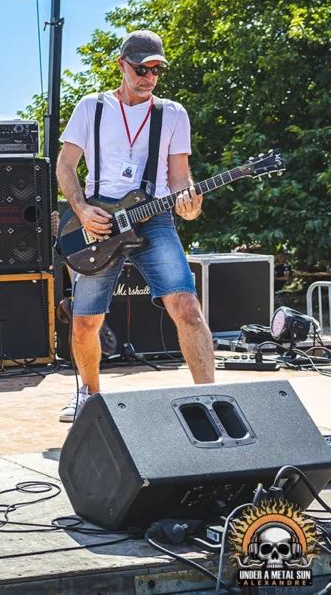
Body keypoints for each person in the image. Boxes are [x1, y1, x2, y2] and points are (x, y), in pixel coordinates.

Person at [56, 29, 215, 423]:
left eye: (156, 69)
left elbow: (179, 178)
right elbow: (65, 165)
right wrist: (81, 207)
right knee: (85, 322)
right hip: (98, 220)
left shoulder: (173, 113)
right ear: (121, 65)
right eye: (141, 68)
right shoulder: (91, 107)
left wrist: (189, 204)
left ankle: (213, 399)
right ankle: (89, 397)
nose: (149, 76)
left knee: (188, 308)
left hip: (154, 217)